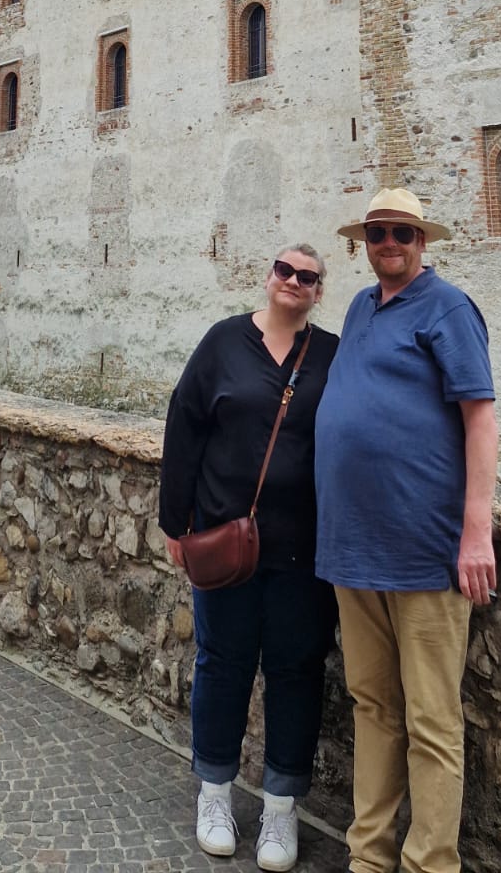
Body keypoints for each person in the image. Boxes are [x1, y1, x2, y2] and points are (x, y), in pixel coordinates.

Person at [315, 188, 498, 873]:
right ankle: (368, 856)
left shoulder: (447, 307)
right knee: (372, 706)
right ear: (363, 241)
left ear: (422, 241)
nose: (388, 242)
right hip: (353, 547)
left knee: (431, 722)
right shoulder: (362, 306)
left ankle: (430, 865)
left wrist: (475, 533)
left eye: (401, 232)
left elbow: (479, 418)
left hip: (424, 548)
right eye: (376, 232)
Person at [159, 245, 339, 871]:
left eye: (307, 277)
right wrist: (174, 523)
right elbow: (183, 427)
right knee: (222, 664)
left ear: (319, 290)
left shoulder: (332, 355)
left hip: (305, 552)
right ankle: (215, 795)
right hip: (224, 542)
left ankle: (281, 810)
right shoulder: (223, 343)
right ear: (268, 278)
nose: (293, 282)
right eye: (285, 271)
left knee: (296, 672)